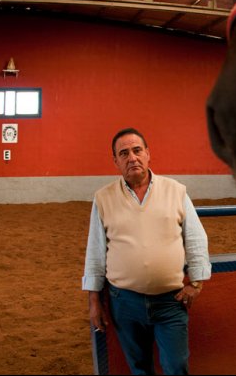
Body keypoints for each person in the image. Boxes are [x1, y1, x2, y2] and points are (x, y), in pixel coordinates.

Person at [82, 128, 211, 375]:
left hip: (170, 302)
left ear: (148, 154)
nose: (132, 158)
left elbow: (196, 238)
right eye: (124, 153)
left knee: (176, 367)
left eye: (137, 150)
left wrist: (196, 283)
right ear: (116, 161)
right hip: (124, 303)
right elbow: (95, 253)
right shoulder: (103, 198)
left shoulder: (176, 191)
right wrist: (94, 301)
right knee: (140, 368)